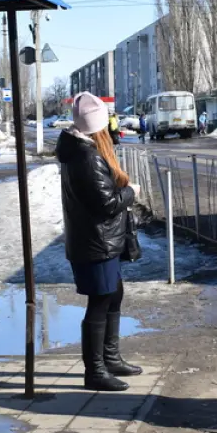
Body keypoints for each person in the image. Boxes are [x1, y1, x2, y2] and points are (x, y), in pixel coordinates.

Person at [57, 92, 143, 392]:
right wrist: (131, 191)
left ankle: (110, 357)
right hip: (96, 242)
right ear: (97, 126)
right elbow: (105, 204)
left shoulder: (82, 151)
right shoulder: (87, 156)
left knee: (113, 294)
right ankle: (95, 371)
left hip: (99, 239)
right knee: (100, 300)